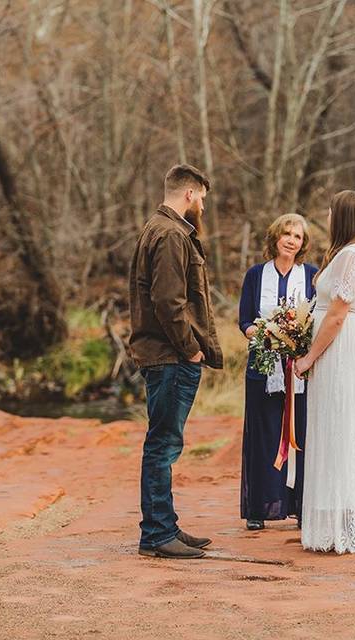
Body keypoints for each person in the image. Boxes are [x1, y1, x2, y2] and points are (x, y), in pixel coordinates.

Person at [128, 164, 223, 559]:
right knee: (163, 445)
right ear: (189, 194)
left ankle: (165, 526)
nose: (202, 203)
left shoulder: (160, 228)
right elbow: (169, 303)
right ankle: (156, 535)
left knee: (163, 442)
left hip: (165, 355)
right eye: (201, 196)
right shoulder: (169, 234)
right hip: (169, 357)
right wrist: (190, 349)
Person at [294, 190, 355, 554]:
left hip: (343, 347)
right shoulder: (354, 252)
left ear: (343, 216)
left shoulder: (353, 256)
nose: (328, 217)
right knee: (338, 425)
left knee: (346, 426)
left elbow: (336, 314)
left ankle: (350, 525)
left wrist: (308, 358)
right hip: (347, 343)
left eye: (332, 212)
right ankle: (338, 521)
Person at [238, 214, 317, 531]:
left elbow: (316, 321)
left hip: (298, 372)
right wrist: (258, 333)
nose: (291, 240)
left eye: (297, 236)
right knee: (263, 437)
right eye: (286, 233)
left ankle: (299, 506)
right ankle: (259, 507)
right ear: (275, 237)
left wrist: (300, 344)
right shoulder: (256, 275)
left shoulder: (311, 275)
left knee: (299, 436)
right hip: (263, 366)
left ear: (303, 244)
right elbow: (244, 319)